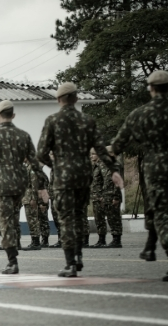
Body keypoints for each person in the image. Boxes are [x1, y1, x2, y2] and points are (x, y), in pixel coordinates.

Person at [37, 82, 122, 277]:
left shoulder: (52, 121)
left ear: (59, 100)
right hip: (84, 178)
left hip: (63, 179)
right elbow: (101, 149)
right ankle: (79, 254)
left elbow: (41, 153)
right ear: (75, 98)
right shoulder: (87, 121)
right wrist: (114, 170)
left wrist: (55, 166)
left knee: (66, 219)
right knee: (78, 216)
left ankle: (71, 262)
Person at [0, 100, 47, 274]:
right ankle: (15, 247)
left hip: (1, 186)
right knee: (14, 219)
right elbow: (35, 163)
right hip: (20, 186)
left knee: (5, 222)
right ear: (13, 115)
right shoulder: (23, 135)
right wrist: (42, 187)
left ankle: (12, 260)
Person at [110, 70, 167, 280]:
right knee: (154, 210)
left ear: (151, 89)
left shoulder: (140, 114)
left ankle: (154, 247)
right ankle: (150, 246)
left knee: (161, 213)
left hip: (156, 169)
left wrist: (113, 163)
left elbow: (117, 144)